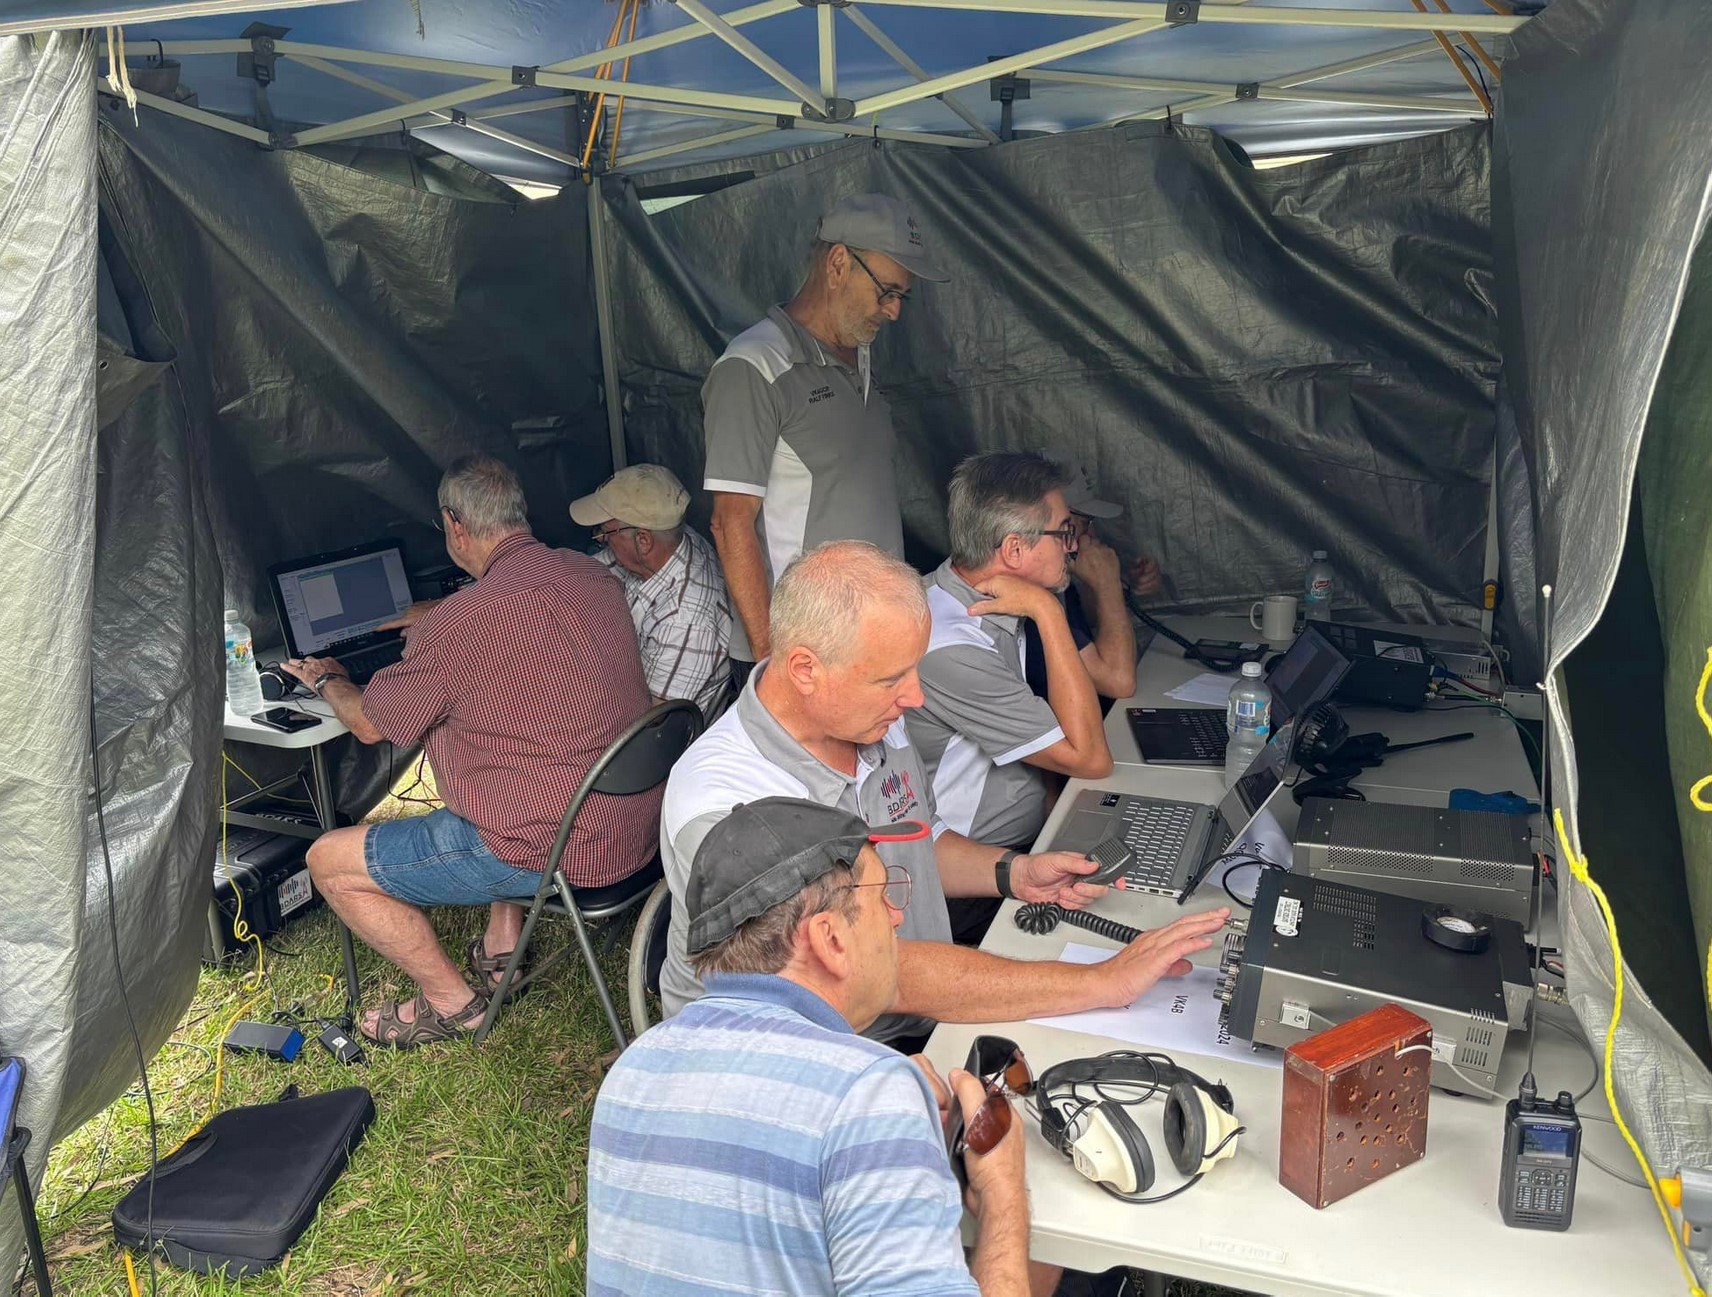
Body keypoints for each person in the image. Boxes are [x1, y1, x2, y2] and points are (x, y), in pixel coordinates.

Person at [656, 539, 1228, 1051]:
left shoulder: (870, 719)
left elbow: (915, 836)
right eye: (890, 678)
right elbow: (870, 972)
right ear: (805, 669)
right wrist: (1103, 980)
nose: (913, 696)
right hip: (812, 1054)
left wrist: (1016, 873)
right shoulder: (731, 805)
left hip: (914, 1014)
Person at [279, 455, 659, 1048]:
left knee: (328, 861)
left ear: (455, 525)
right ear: (520, 513)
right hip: (636, 826)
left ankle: (453, 1004)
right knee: (510, 761)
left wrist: (330, 678)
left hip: (559, 846)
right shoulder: (594, 580)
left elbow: (369, 725)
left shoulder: (458, 628)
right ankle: (503, 946)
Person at [587, 797, 1031, 1296]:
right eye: (883, 896)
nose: (896, 918)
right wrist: (1002, 1196)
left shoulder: (636, 1069)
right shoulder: (867, 1093)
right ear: (830, 939)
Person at [702, 192, 948, 692]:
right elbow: (731, 525)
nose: (895, 312)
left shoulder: (859, 358)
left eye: (903, 295)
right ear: (838, 263)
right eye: (886, 291)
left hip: (868, 646)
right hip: (805, 662)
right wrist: (775, 667)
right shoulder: (754, 368)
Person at [906, 452, 1113, 862]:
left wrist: (1052, 794)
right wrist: (1050, 611)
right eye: (1064, 532)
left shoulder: (979, 596)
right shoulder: (953, 644)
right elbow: (1090, 759)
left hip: (1036, 827)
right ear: (1015, 550)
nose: (1072, 547)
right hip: (980, 863)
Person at [570, 463, 732, 720]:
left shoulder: (685, 621)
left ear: (643, 541)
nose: (601, 539)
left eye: (606, 533)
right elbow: (591, 571)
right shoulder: (665, 541)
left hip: (657, 740)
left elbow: (654, 728)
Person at [1021, 456, 1163, 713]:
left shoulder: (1053, 583)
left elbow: (1081, 624)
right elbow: (1119, 682)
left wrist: (1116, 583)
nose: (1089, 537)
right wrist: (1108, 586)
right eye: (1084, 523)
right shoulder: (1030, 592)